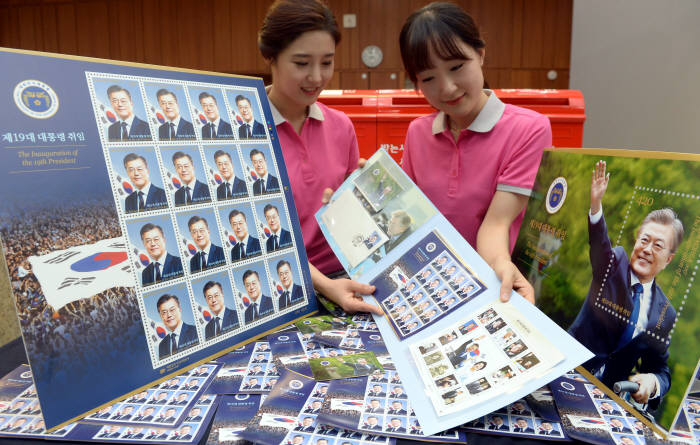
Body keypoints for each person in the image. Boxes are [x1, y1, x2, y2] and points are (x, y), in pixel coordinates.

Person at [399, 3, 551, 304]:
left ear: (480, 53)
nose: (448, 88)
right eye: (428, 78)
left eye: (457, 67)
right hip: (429, 290)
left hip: (492, 288)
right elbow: (408, 219)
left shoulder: (529, 129)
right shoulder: (418, 132)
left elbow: (495, 224)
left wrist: (499, 266)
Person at [259, 0, 380, 315]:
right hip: (276, 284)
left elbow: (351, 221)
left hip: (346, 278)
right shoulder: (244, 131)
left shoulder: (341, 126)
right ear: (270, 57)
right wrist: (325, 286)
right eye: (301, 63)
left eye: (326, 62)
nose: (316, 77)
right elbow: (255, 240)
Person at [569, 161, 682, 408]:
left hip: (607, 401)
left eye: (658, 245)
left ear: (668, 260)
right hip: (568, 373)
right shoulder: (615, 262)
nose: (647, 249)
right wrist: (596, 206)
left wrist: (652, 383)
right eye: (644, 239)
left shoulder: (665, 312)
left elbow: (660, 369)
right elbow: (600, 244)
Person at [157, 293, 199, 358]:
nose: (169, 315)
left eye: (172, 310)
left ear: (179, 309)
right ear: (160, 316)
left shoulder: (195, 331)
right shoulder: (162, 345)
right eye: (164, 312)